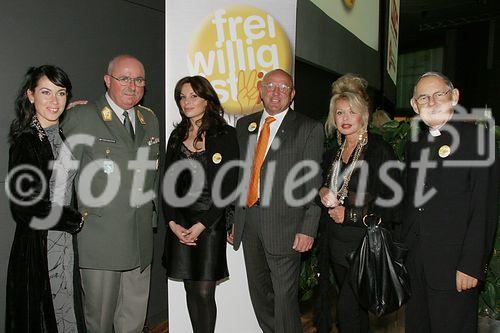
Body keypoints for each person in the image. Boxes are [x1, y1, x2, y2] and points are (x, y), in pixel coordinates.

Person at [61, 55, 160, 332]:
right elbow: (57, 173)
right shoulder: (82, 116)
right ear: (108, 81)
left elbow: (151, 177)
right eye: (124, 78)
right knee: (100, 322)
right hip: (101, 240)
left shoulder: (148, 119)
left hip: (140, 239)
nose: (132, 85)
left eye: (139, 80)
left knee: (133, 320)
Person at [229, 69, 324, 333]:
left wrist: (308, 227)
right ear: (260, 90)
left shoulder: (308, 128)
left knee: (284, 300)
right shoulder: (244, 126)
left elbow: (312, 182)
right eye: (271, 86)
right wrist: (235, 219)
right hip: (249, 222)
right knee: (259, 294)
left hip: (287, 226)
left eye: (284, 88)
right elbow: (240, 175)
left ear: (292, 95)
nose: (276, 92)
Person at [403, 71, 498, 332]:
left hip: (456, 266)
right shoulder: (415, 145)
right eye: (423, 98)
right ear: (414, 105)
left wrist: (471, 265)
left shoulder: (478, 141)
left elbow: (484, 209)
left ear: (454, 97)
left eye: (438, 95)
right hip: (417, 263)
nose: (431, 102)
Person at [317, 74, 401, 333]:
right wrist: (321, 191)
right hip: (336, 244)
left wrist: (351, 215)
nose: (344, 118)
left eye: (351, 112)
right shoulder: (332, 154)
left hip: (365, 244)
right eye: (339, 112)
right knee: (356, 312)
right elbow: (317, 186)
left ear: (364, 115)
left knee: (346, 310)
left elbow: (393, 203)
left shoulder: (380, 151)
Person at [6, 65, 85, 332]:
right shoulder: (26, 141)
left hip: (63, 244)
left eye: (60, 93)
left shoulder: (58, 134)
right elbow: (25, 205)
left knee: (67, 317)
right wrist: (73, 219)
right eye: (46, 92)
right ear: (30, 95)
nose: (54, 101)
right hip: (40, 246)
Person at [162, 75, 239, 333]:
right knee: (189, 287)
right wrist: (172, 223)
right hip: (180, 221)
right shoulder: (177, 135)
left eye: (193, 96)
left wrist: (203, 224)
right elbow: (167, 184)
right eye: (182, 97)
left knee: (204, 291)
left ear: (207, 99)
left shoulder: (226, 135)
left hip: (210, 220)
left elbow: (229, 187)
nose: (187, 102)